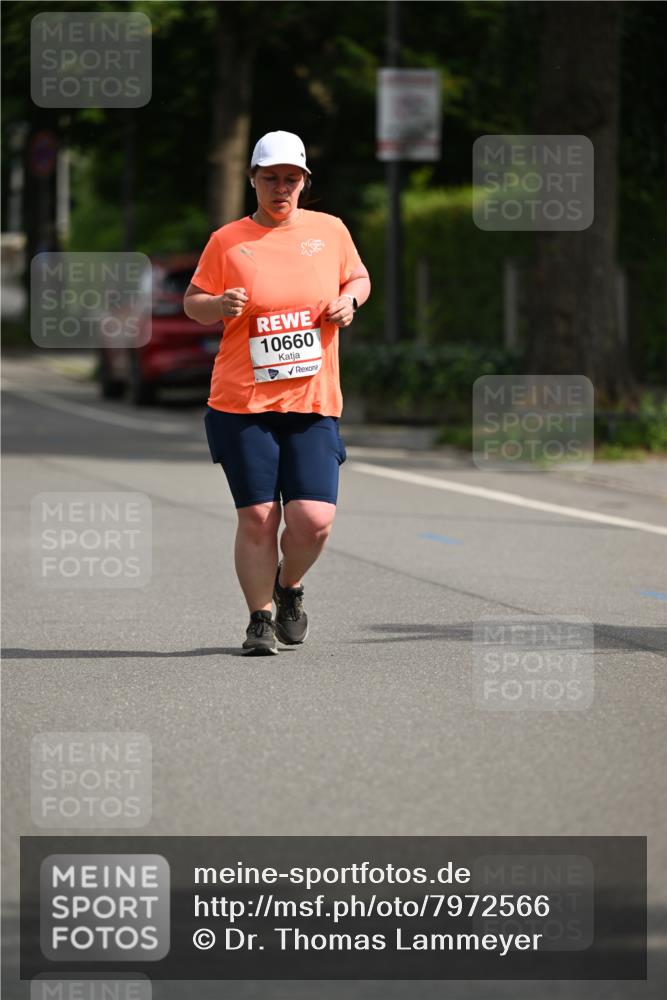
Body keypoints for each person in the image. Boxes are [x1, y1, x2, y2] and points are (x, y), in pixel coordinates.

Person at [184, 130, 371, 655]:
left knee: (314, 520)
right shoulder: (227, 240)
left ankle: (289, 589)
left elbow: (358, 278)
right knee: (259, 516)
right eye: (270, 178)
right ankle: (259, 618)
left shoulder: (329, 231)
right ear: (253, 180)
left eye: (291, 179)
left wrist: (350, 302)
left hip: (312, 401)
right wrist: (218, 305)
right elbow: (193, 300)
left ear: (305, 182)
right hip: (243, 402)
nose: (280, 188)